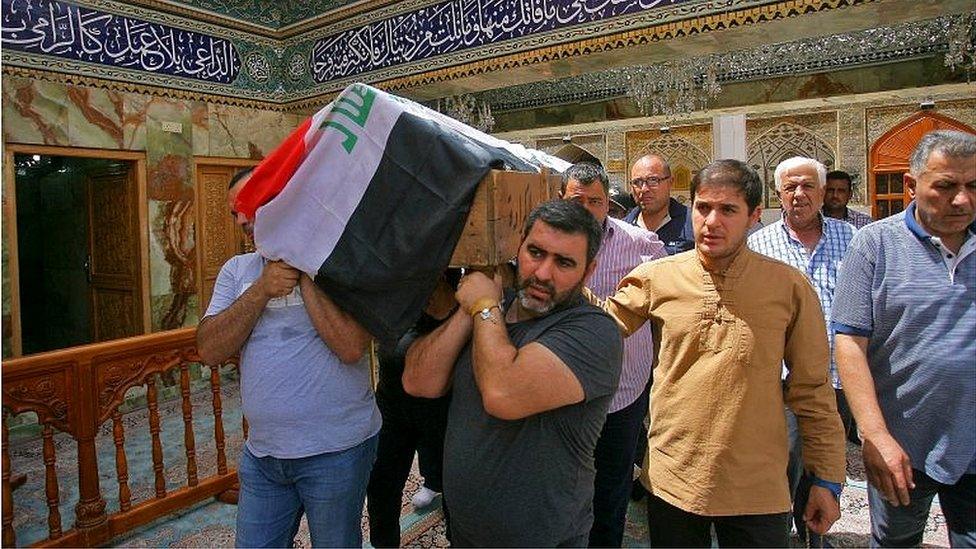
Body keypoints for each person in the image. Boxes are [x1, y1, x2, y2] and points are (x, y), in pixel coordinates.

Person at [603, 159, 846, 547]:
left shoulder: (788, 288)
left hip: (758, 487)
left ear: (753, 216)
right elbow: (600, 327)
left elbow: (812, 389)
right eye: (703, 208)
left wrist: (827, 478)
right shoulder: (657, 277)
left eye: (728, 210)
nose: (712, 221)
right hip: (674, 479)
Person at [403, 199, 623, 547]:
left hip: (541, 538)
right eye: (535, 253)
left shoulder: (594, 333)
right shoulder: (492, 309)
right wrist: (471, 307)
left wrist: (484, 305)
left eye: (564, 262)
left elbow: (502, 394)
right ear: (518, 247)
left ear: (589, 271)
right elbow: (418, 381)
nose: (543, 273)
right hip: (466, 531)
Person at [196, 169, 381, 548]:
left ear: (284, 201)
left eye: (250, 206)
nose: (243, 220)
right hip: (264, 456)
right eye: (235, 213)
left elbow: (350, 347)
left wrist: (302, 269)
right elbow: (209, 350)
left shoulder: (339, 263)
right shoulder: (237, 271)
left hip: (336, 453)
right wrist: (262, 289)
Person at [832, 130, 975, 548]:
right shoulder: (875, 244)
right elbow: (850, 342)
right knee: (896, 540)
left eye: (973, 186)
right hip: (904, 443)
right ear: (912, 186)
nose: (962, 200)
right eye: (946, 186)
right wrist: (875, 435)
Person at [748, 157, 857, 547]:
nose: (799, 195)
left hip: (836, 377)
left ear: (823, 192)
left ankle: (816, 537)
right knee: (781, 466)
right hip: (780, 380)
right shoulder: (758, 245)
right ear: (778, 194)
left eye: (808, 186)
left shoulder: (853, 240)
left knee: (824, 463)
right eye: (790, 187)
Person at [560, 162, 666, 547]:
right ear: (561, 199)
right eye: (578, 201)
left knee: (611, 486)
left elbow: (660, 302)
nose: (587, 209)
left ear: (609, 204)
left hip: (622, 389)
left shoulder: (638, 243)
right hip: (562, 390)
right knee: (566, 485)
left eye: (596, 201)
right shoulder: (545, 243)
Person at [366, 270, 459, 548]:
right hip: (392, 406)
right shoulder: (399, 290)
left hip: (442, 410)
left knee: (455, 491)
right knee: (381, 487)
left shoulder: (456, 304)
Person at [623, 154, 695, 255]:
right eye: (637, 182)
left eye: (653, 180)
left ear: (670, 182)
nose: (644, 189)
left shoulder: (692, 224)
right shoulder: (622, 230)